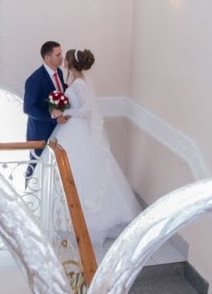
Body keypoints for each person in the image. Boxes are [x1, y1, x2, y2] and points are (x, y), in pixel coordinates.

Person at [51, 48, 139, 240]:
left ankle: (85, 219)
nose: (63, 61)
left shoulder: (79, 84)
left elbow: (88, 109)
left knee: (79, 169)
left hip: (78, 129)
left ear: (71, 63)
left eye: (66, 59)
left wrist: (65, 113)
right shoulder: (76, 81)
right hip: (73, 128)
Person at [23, 40, 68, 182]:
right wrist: (53, 119)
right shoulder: (34, 79)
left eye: (61, 54)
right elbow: (29, 108)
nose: (62, 57)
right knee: (35, 167)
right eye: (58, 55)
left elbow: (60, 93)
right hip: (40, 132)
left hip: (57, 131)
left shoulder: (59, 72)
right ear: (47, 58)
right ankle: (27, 190)